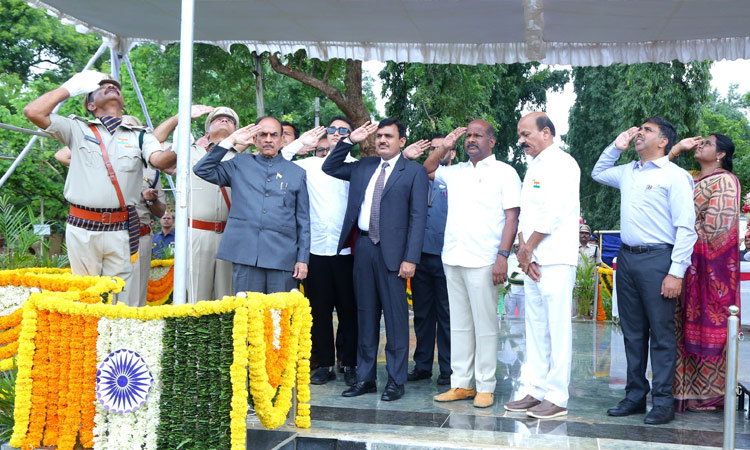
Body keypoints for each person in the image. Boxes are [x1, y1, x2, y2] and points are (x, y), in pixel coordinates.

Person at [23, 71, 176, 303]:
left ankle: (117, 340)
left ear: (123, 105)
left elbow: (160, 161)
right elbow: (33, 112)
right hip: (83, 227)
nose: (111, 87)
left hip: (121, 229)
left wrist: (179, 146)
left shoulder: (141, 137)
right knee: (87, 298)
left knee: (121, 300)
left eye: (115, 87)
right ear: (91, 104)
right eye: (102, 86)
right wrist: (70, 88)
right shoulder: (78, 129)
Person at [592, 117, 697, 425]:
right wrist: (616, 145)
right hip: (627, 259)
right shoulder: (628, 172)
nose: (639, 133)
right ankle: (635, 396)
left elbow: (686, 228)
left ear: (664, 141)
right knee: (632, 333)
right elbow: (598, 172)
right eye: (639, 129)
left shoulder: (675, 176)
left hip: (658, 260)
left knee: (661, 335)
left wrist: (676, 271)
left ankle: (662, 402)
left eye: (647, 130)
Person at [322, 118, 428, 402]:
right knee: (365, 317)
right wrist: (351, 140)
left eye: (389, 136)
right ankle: (365, 378)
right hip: (365, 248)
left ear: (401, 141)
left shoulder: (414, 172)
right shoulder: (363, 166)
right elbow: (329, 166)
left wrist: (411, 259)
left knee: (395, 320)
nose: (382, 140)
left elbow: (419, 219)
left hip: (395, 255)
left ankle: (395, 380)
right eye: (379, 136)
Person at [425, 119, 521, 409]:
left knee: (486, 326)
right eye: (468, 136)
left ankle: (486, 385)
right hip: (453, 256)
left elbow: (512, 218)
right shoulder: (455, 172)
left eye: (478, 135)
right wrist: (444, 146)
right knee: (460, 325)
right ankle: (462, 384)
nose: (471, 140)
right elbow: (428, 168)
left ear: (492, 141)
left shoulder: (505, 172)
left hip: (485, 258)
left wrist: (502, 257)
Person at [503, 112, 579, 419]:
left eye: (526, 134)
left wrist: (528, 249)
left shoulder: (563, 164)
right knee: (534, 328)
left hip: (556, 259)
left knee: (557, 328)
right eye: (520, 135)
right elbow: (525, 215)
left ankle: (557, 396)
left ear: (546, 133)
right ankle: (534, 389)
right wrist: (524, 251)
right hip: (533, 259)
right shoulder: (534, 165)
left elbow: (554, 213)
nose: (521, 141)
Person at [53, 114, 168, 307]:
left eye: (129, 129)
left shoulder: (151, 169)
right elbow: (61, 155)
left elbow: (161, 210)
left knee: (129, 294)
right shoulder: (95, 154)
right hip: (96, 227)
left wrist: (152, 199)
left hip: (137, 235)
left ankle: (128, 330)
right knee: (89, 290)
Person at [194, 117, 310, 294]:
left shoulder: (297, 173)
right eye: (262, 135)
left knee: (279, 317)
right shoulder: (239, 163)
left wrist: (302, 259)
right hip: (246, 253)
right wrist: (230, 140)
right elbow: (202, 169)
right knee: (248, 316)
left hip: (282, 256)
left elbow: (303, 221)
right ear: (255, 139)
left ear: (282, 139)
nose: (268, 139)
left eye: (274, 135)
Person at [668, 133, 741, 411]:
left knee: (709, 325)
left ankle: (706, 395)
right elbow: (656, 175)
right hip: (679, 266)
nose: (700, 145)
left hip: (705, 270)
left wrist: (679, 238)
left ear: (721, 154)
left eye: (707, 143)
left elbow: (717, 231)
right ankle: (679, 392)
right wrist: (673, 150)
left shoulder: (725, 181)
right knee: (675, 330)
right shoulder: (688, 178)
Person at [291, 117, 359, 387]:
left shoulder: (358, 167)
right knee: (318, 312)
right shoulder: (308, 166)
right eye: (333, 130)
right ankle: (325, 364)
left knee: (349, 311)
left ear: (352, 136)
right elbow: (281, 159)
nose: (338, 134)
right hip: (316, 250)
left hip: (348, 252)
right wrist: (301, 142)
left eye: (344, 131)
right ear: (325, 135)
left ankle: (349, 362)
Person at [153, 105, 236, 302]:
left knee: (228, 299)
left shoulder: (242, 159)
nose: (224, 120)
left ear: (236, 131)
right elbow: (155, 146)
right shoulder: (189, 152)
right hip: (198, 233)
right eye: (218, 119)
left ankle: (225, 335)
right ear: (207, 131)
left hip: (230, 235)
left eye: (230, 120)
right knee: (196, 298)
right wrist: (180, 116)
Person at [408, 134, 454, 386]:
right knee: (423, 314)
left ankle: (448, 368)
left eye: (443, 148)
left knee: (447, 315)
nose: (438, 152)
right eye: (434, 148)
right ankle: (423, 364)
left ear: (452, 153)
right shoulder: (418, 178)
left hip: (447, 256)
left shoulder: (457, 177)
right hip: (420, 256)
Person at [505, 241, 525, 318]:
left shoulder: (529, 259)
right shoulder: (509, 259)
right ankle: (510, 330)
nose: (518, 248)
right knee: (510, 314)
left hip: (523, 291)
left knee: (523, 315)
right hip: (511, 290)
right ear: (514, 248)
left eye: (520, 246)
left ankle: (522, 330)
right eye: (516, 247)